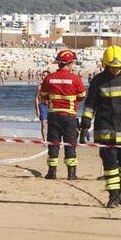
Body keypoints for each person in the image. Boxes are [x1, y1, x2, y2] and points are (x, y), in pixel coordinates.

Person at [79, 46, 121, 208]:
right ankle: (113, 195)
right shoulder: (98, 81)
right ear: (105, 64)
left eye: (117, 66)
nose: (114, 69)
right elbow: (90, 105)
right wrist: (84, 126)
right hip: (105, 127)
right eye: (111, 66)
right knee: (109, 163)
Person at [39, 50, 87, 180]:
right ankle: (71, 174)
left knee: (53, 144)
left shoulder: (50, 78)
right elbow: (82, 96)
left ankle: (51, 172)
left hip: (54, 115)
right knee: (70, 144)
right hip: (70, 116)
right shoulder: (75, 79)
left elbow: (42, 95)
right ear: (70, 62)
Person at [34, 71, 50, 141]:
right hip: (42, 106)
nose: (43, 77)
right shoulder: (40, 86)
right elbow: (37, 98)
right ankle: (45, 140)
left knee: (52, 124)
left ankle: (50, 139)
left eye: (45, 76)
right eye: (42, 75)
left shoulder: (52, 87)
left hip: (50, 106)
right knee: (43, 123)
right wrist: (37, 109)